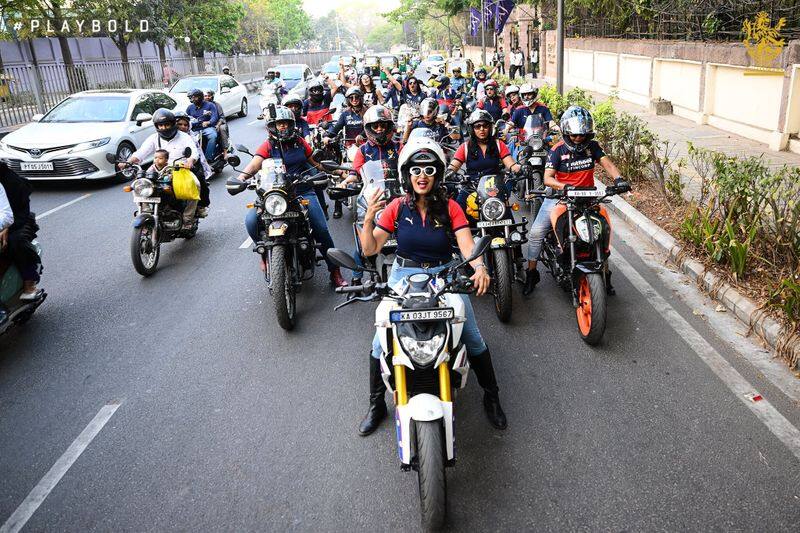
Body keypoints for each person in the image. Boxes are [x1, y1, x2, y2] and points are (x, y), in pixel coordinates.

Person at [356, 136, 507, 435]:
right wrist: (369, 216)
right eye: (415, 171)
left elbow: (466, 245)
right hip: (403, 277)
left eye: (428, 170)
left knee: (473, 337)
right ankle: (376, 404)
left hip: (444, 276)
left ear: (437, 174)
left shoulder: (451, 207)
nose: (422, 177)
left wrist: (479, 266)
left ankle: (492, 397)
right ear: (406, 175)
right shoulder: (397, 207)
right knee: (379, 342)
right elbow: (371, 249)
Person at [236, 106, 348, 288]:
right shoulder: (268, 145)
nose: (283, 127)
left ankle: (334, 270)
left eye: (287, 123)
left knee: (321, 228)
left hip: (301, 192)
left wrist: (340, 173)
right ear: (272, 126)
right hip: (274, 195)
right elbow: (255, 164)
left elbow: (316, 163)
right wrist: (241, 178)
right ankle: (264, 253)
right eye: (279, 124)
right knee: (250, 221)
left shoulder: (300, 143)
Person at [523, 106, 628, 294]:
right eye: (574, 135)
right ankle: (531, 273)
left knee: (602, 232)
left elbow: (608, 164)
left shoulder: (593, 147)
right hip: (560, 198)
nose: (578, 139)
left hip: (588, 198)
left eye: (582, 135)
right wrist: (564, 187)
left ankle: (605, 274)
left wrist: (619, 179)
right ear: (566, 133)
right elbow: (547, 178)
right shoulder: (557, 150)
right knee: (536, 234)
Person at [125, 109, 200, 228]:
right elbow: (141, 153)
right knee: (137, 185)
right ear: (156, 126)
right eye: (161, 125)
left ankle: (187, 219)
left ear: (173, 124)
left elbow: (194, 152)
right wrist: (129, 161)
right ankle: (146, 211)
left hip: (180, 170)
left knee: (195, 185)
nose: (164, 128)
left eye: (167, 124)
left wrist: (190, 161)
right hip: (158, 169)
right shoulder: (154, 138)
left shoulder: (184, 137)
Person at [448, 109, 521, 210]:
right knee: (457, 212)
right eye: (477, 126)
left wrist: (518, 168)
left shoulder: (499, 144)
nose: (482, 129)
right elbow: (453, 166)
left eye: (485, 126)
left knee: (508, 219)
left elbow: (511, 164)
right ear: (472, 129)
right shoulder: (464, 147)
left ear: (490, 128)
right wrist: (448, 172)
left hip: (495, 188)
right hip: (471, 189)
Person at [0, 163, 40, 300]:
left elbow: (17, 212)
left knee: (16, 241)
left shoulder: (10, 181)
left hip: (19, 220)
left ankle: (29, 282)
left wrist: (7, 227)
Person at [175, 111, 212, 216]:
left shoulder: (189, 137)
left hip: (188, 165)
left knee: (199, 181)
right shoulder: (160, 137)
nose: (183, 127)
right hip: (168, 167)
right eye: (179, 124)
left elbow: (195, 153)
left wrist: (190, 161)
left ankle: (200, 206)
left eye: (185, 125)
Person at [186, 88, 218, 164]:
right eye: (191, 97)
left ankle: (207, 159)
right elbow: (186, 118)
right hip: (194, 129)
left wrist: (208, 122)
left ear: (200, 96)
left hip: (207, 128)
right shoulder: (190, 108)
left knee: (213, 136)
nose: (192, 99)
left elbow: (215, 117)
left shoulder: (210, 105)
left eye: (194, 97)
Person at [203, 89, 229, 159]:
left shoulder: (217, 105)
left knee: (222, 129)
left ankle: (225, 152)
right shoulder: (201, 106)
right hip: (205, 126)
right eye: (205, 96)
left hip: (218, 124)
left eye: (209, 96)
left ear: (212, 96)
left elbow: (222, 117)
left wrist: (217, 125)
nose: (207, 97)